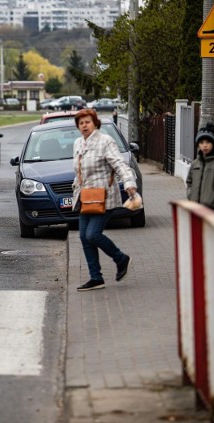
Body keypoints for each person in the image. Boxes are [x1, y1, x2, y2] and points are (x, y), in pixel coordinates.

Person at [72, 109, 138, 291]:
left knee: (92, 234)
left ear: (95, 123)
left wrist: (129, 183)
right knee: (84, 238)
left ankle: (121, 258)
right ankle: (96, 278)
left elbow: (119, 164)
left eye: (87, 122)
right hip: (85, 197)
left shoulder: (105, 141)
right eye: (81, 123)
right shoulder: (78, 143)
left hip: (104, 196)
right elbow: (78, 171)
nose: (84, 125)